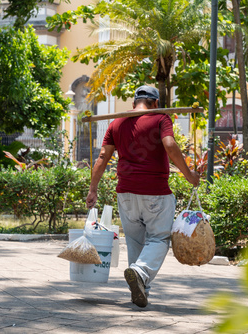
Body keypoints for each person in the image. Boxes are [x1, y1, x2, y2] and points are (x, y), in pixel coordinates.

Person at [86, 85, 200, 308]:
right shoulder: (160, 119)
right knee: (159, 239)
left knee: (136, 242)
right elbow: (170, 144)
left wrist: (93, 189)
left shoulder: (116, 123)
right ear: (156, 102)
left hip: (126, 193)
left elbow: (102, 157)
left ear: (134, 103)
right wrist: (189, 175)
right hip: (155, 192)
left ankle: (140, 289)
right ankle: (139, 272)